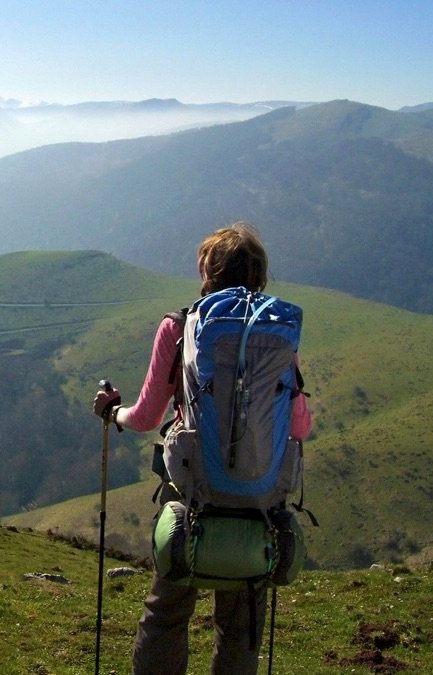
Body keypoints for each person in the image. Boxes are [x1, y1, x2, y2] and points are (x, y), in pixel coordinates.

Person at [92, 222, 312, 675]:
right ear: (260, 275)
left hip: (192, 499)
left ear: (207, 272)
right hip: (258, 503)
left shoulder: (179, 327)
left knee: (166, 614)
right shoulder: (279, 336)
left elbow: (148, 416)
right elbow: (301, 427)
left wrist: (113, 414)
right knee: (240, 624)